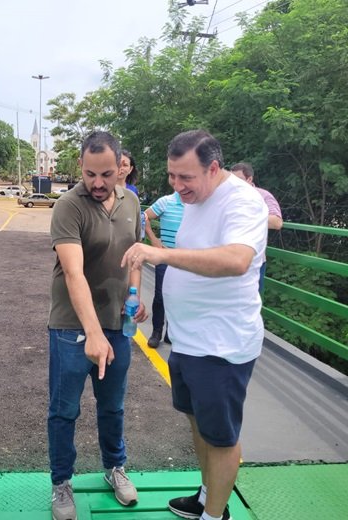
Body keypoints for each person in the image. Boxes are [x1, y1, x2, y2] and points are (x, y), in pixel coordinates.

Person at [121, 130, 268, 520]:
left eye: (185, 177)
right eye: (172, 175)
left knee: (220, 436)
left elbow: (236, 260)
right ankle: (207, 496)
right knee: (198, 423)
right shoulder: (196, 198)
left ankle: (214, 515)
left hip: (221, 344)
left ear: (213, 168)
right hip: (187, 340)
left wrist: (162, 254)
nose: (177, 185)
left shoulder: (242, 201)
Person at [48, 131, 146, 520]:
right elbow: (73, 274)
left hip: (117, 324)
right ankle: (61, 483)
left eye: (106, 174)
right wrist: (91, 333)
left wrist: (135, 297)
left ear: (121, 166)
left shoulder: (131, 201)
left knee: (113, 406)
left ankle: (114, 468)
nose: (98, 183)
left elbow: (135, 255)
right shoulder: (68, 206)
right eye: (90, 174)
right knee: (64, 410)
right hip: (71, 327)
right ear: (80, 166)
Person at [230, 162, 283, 292]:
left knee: (252, 299)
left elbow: (276, 222)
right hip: (228, 258)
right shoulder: (227, 197)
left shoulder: (263, 195)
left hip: (254, 261)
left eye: (238, 179)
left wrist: (245, 218)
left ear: (249, 179)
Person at [144, 190, 185, 348]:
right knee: (160, 295)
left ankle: (171, 332)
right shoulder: (166, 201)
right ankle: (156, 331)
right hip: (165, 255)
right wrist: (154, 239)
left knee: (180, 296)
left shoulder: (196, 203)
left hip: (185, 259)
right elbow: (144, 216)